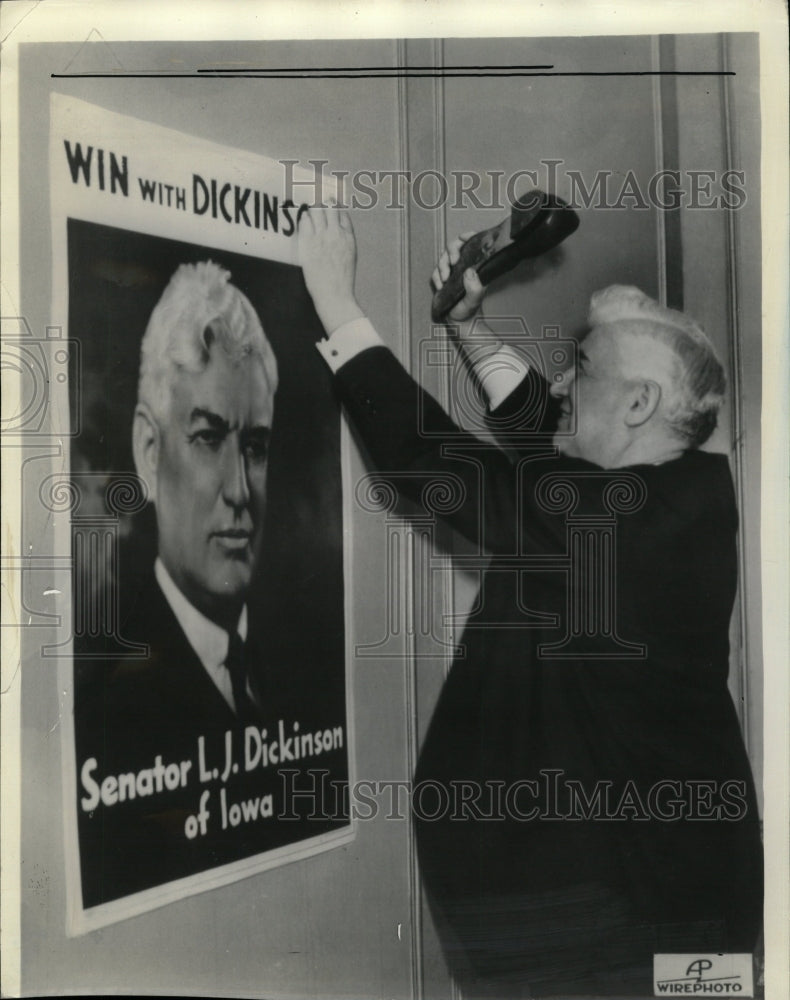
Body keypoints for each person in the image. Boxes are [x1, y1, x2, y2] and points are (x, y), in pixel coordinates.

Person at [298, 205, 763, 997]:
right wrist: (469, 330)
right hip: (665, 901)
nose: (562, 382)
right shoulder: (677, 485)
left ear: (642, 405)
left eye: (581, 366)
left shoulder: (620, 529)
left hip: (633, 929)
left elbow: (430, 464)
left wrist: (336, 301)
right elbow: (552, 429)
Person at [75, 261, 282, 905]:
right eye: (207, 437)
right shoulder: (106, 708)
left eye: (254, 447)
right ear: (146, 450)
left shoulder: (298, 665)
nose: (239, 491)